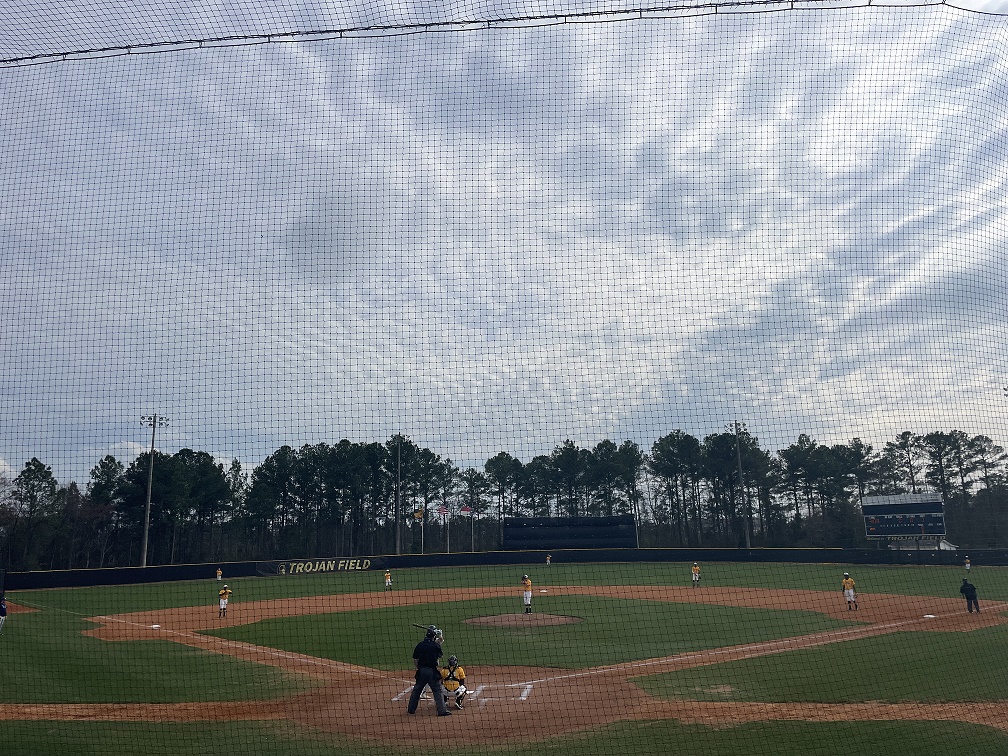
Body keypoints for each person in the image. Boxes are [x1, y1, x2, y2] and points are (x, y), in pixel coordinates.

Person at [407, 625, 450, 716]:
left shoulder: (420, 645)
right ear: (434, 636)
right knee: (437, 691)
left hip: (422, 671)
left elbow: (415, 659)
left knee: (417, 690)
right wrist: (440, 635)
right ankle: (442, 711)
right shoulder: (435, 646)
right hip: (432, 672)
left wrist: (419, 668)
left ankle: (411, 709)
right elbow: (439, 651)